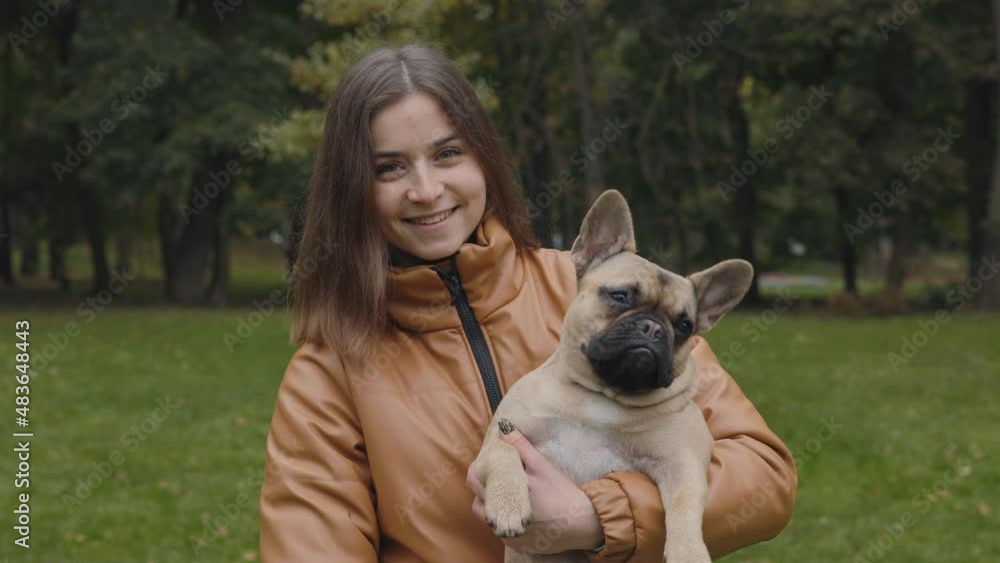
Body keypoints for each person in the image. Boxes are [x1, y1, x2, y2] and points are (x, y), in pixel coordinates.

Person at [259, 44, 797, 563]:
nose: (425, 189)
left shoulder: (599, 290)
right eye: (389, 168)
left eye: (448, 154)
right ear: (352, 187)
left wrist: (598, 519)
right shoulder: (328, 374)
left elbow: (764, 477)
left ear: (484, 159)